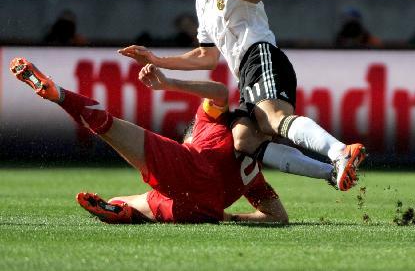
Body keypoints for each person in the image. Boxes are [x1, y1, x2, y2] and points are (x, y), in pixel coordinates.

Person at [118, 0, 366, 191]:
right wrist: (156, 60)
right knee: (244, 139)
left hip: (261, 55)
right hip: (245, 73)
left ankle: (340, 151)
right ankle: (331, 173)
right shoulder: (202, 0)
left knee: (273, 119)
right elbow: (207, 57)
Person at [10, 56, 291, 224]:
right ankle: (122, 212)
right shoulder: (254, 173)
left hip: (190, 169)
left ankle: (59, 94)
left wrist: (169, 83)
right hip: (200, 210)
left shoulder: (213, 122)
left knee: (106, 124)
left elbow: (219, 90)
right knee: (123, 202)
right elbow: (278, 217)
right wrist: (228, 217)